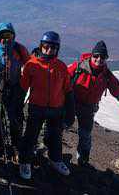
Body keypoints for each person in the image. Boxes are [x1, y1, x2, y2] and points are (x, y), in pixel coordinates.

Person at [68, 40, 119, 167]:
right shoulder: (78, 67)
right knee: (59, 127)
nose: (99, 59)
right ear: (91, 55)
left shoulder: (107, 76)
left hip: (88, 108)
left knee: (85, 136)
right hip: (71, 103)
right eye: (96, 56)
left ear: (106, 58)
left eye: (102, 57)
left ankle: (82, 162)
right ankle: (54, 156)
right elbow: (62, 77)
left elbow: (118, 91)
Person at [18, 31, 75, 180]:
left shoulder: (61, 67)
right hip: (37, 107)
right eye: (46, 46)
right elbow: (23, 87)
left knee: (55, 136)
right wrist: (17, 105)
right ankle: (25, 162)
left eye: (53, 47)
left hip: (56, 109)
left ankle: (55, 160)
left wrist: (70, 112)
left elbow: (68, 91)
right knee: (31, 136)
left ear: (58, 49)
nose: (49, 50)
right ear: (41, 46)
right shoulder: (32, 64)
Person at [0, 22, 30, 160]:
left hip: (15, 89)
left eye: (8, 36)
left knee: (15, 118)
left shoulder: (19, 49)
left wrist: (24, 88)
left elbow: (29, 66)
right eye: (2, 36)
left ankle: (16, 145)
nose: (5, 39)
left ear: (13, 36)